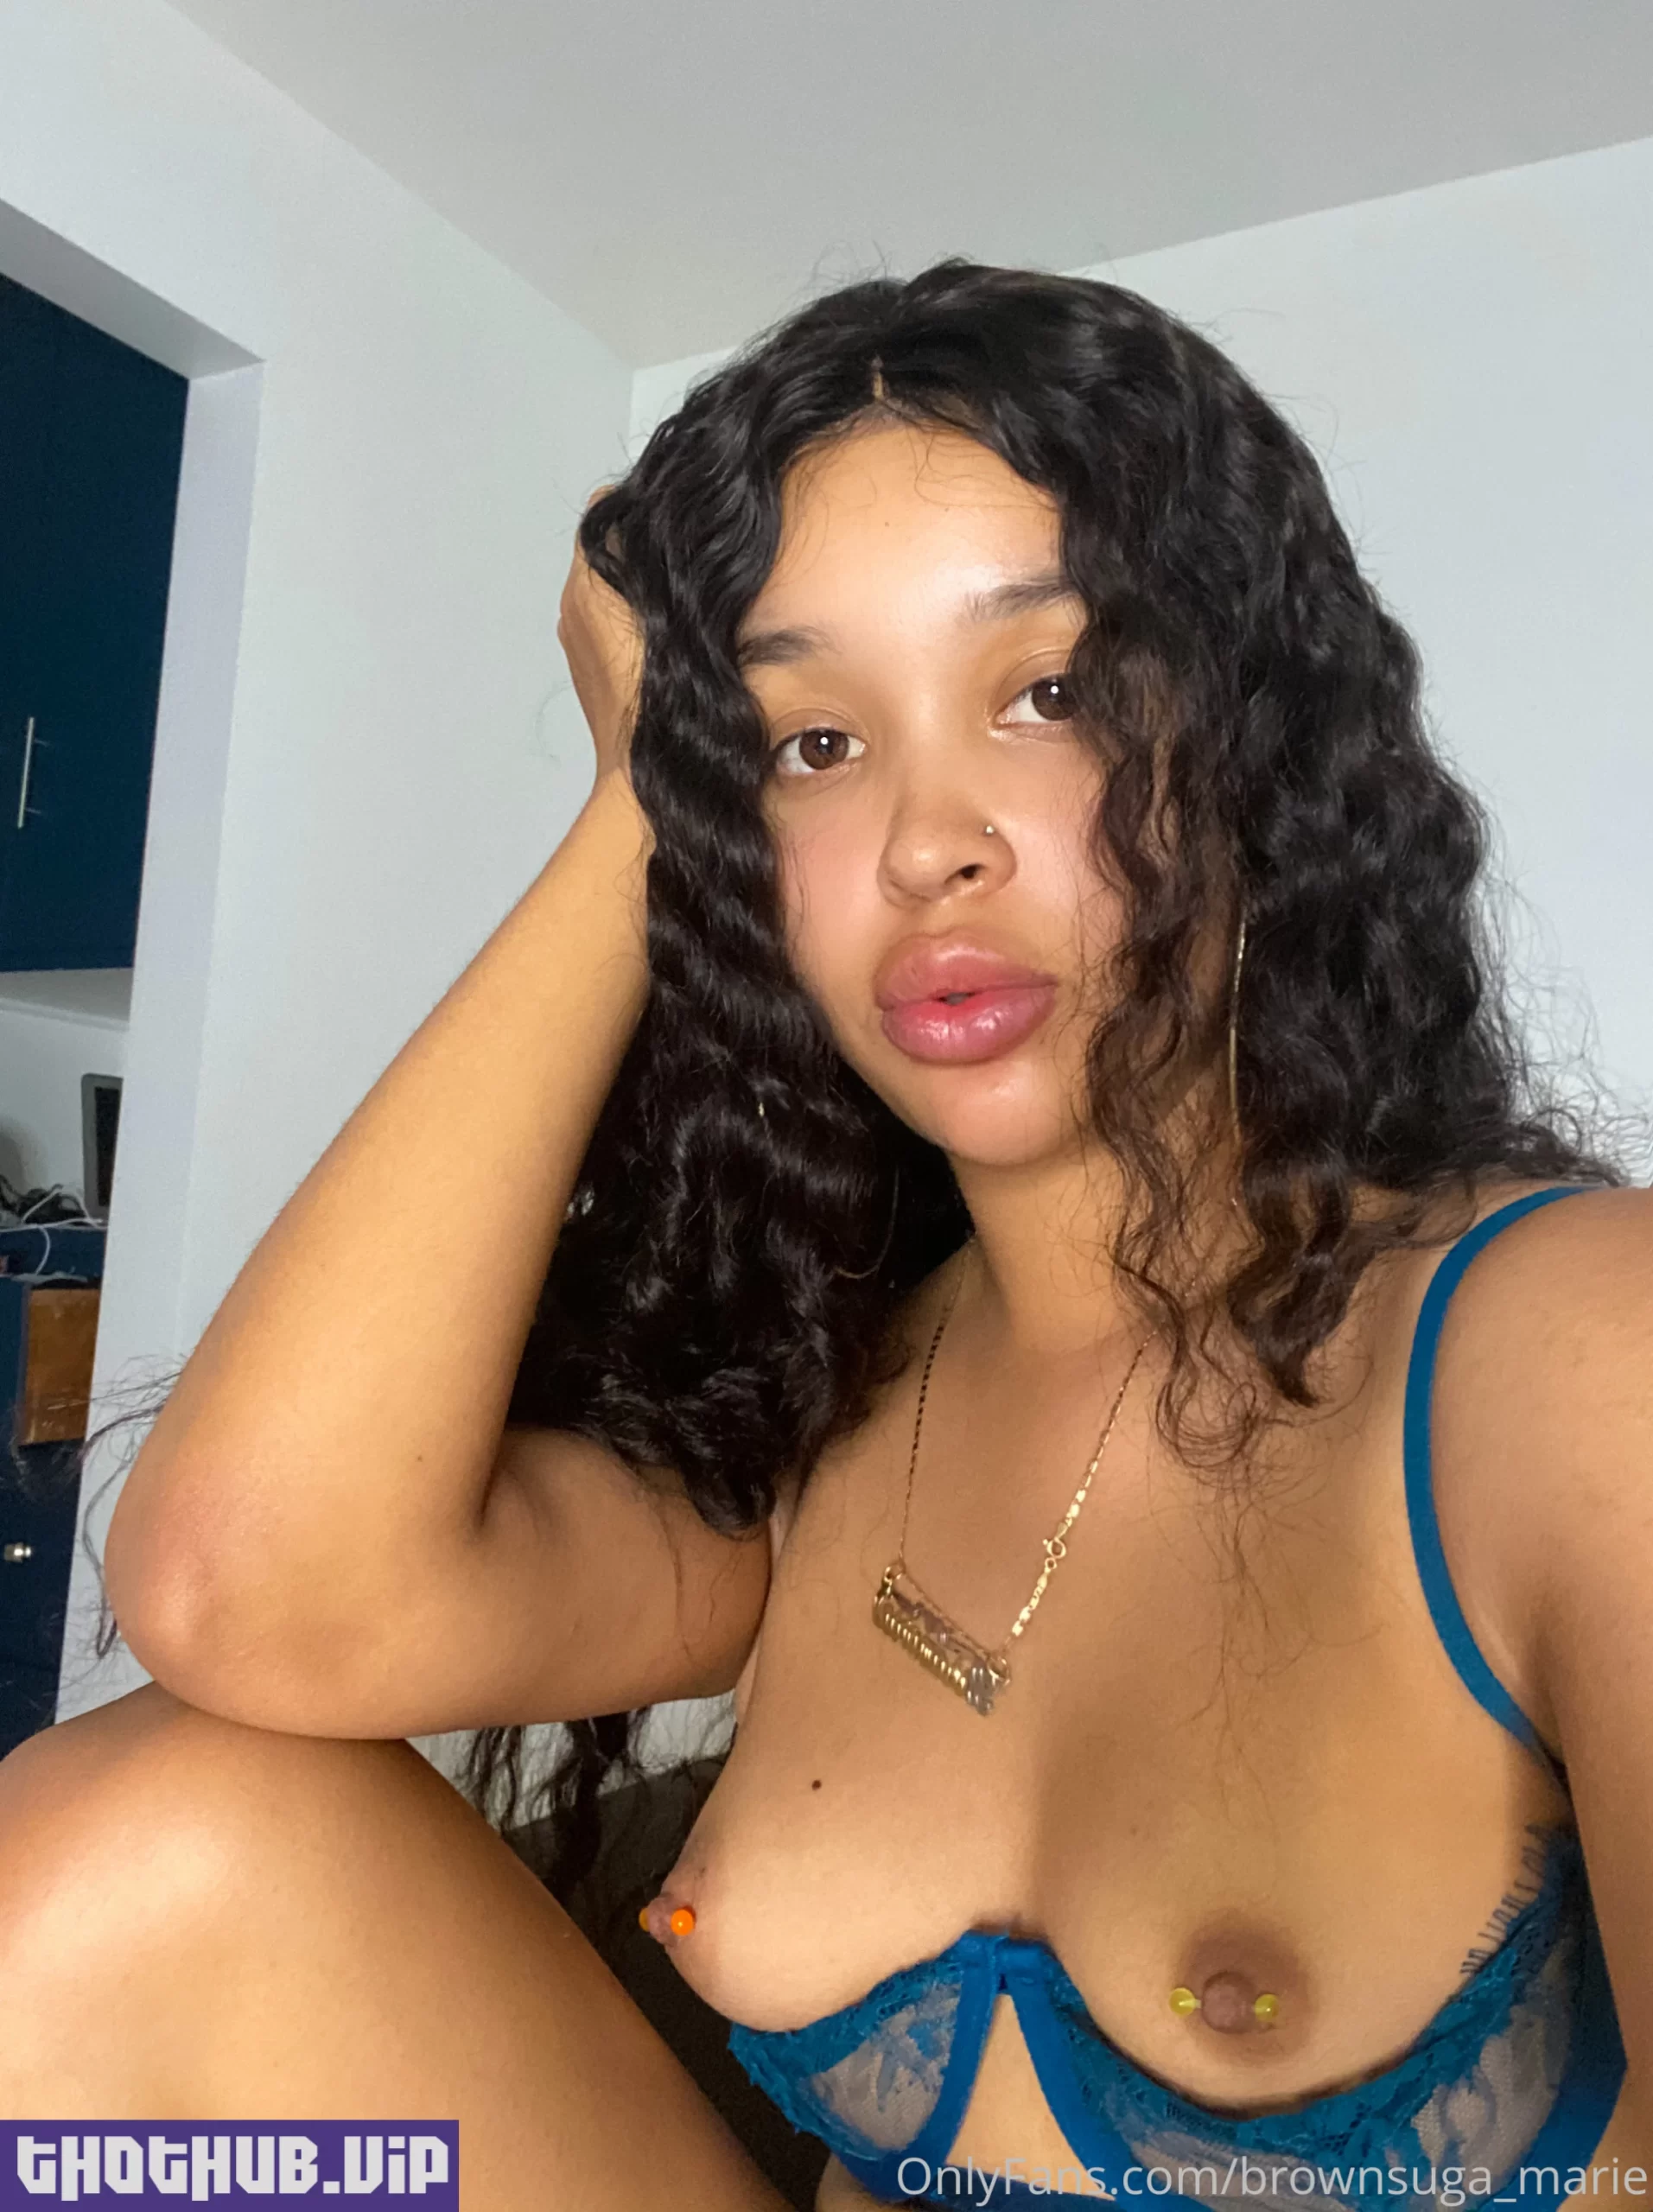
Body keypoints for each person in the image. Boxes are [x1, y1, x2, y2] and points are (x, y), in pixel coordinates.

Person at [0, 262, 1648, 2212]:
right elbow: (243, 1590)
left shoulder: (1563, 1350)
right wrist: (642, 802)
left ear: (1258, 742)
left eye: (1047, 692)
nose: (925, 842)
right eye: (810, 743)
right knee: (149, 1826)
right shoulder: (819, 1416)